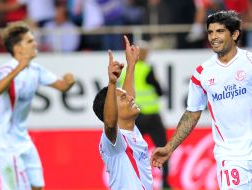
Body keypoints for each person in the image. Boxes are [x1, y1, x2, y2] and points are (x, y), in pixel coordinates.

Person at [151, 10, 252, 190]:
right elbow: (192, 113)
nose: (213, 37)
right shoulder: (202, 73)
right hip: (231, 158)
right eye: (210, 32)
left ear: (235, 34)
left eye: (220, 31)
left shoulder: (250, 61)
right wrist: (169, 148)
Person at [0, 21, 75, 190]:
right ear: (18, 48)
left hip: (23, 138)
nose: (35, 44)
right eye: (30, 41)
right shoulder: (6, 70)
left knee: (37, 186)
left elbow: (61, 86)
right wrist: (19, 68)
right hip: (4, 142)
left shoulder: (35, 70)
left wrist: (69, 82)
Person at [93, 36, 153, 189]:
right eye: (123, 98)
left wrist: (131, 65)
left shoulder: (132, 130)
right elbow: (110, 122)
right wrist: (112, 83)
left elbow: (128, 95)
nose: (130, 98)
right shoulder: (114, 140)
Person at [119, 40, 169, 188]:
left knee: (132, 151)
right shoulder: (147, 68)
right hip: (151, 115)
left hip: (134, 117)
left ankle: (132, 181)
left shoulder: (126, 71)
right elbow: (160, 91)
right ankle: (165, 182)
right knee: (163, 149)